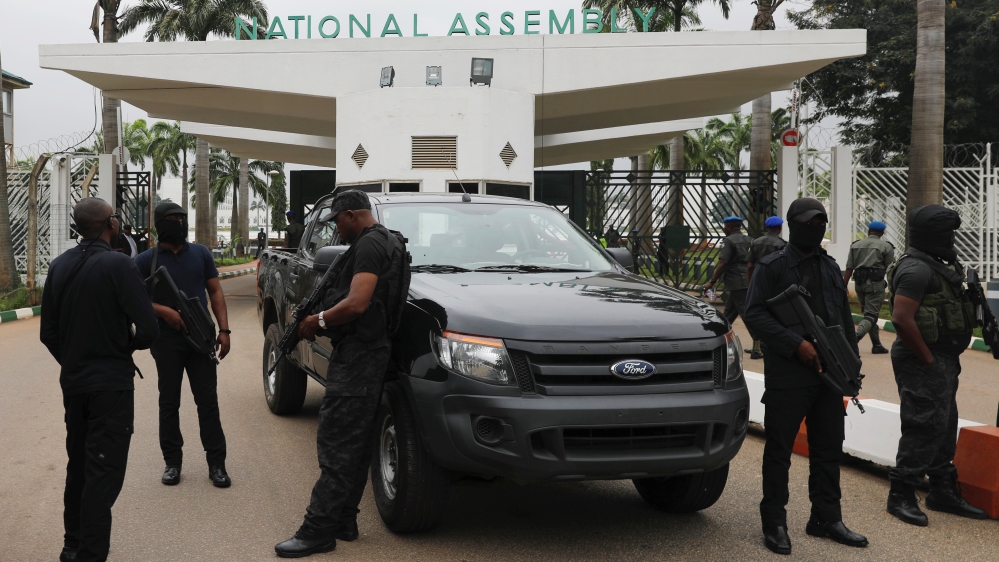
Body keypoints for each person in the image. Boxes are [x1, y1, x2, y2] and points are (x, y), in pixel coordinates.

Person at [275, 190, 407, 558]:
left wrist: (315, 321)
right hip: (371, 352)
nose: (337, 230)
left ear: (351, 215)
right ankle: (344, 520)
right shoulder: (389, 240)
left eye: (338, 222)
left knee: (336, 444)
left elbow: (358, 302)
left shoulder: (367, 246)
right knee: (358, 441)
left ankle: (317, 530)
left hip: (360, 357)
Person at [744, 198, 868, 555]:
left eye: (821, 223)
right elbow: (754, 314)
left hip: (830, 374)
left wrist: (851, 364)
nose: (816, 228)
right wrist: (796, 344)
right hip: (789, 375)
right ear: (792, 224)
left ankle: (826, 518)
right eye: (808, 223)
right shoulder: (773, 266)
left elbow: (844, 318)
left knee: (828, 449)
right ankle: (775, 523)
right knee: (780, 449)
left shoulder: (830, 267)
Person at [40, 198, 159, 562]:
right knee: (102, 471)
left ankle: (72, 544)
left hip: (75, 385)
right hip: (111, 386)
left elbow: (49, 333)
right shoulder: (120, 264)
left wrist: (75, 360)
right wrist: (125, 348)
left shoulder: (59, 266)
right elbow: (150, 328)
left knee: (78, 465)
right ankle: (90, 554)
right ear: (112, 224)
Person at [885, 205, 986, 526]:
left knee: (943, 423)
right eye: (947, 234)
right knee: (923, 423)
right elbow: (901, 318)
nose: (952, 239)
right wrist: (928, 360)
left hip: (941, 358)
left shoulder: (936, 264)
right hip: (922, 358)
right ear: (933, 235)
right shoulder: (916, 270)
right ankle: (901, 493)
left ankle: (942, 489)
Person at [134, 202, 233, 488]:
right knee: (169, 403)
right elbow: (135, 300)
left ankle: (217, 464)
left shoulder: (201, 253)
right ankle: (172, 463)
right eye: (171, 219)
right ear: (158, 223)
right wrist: (166, 312)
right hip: (166, 340)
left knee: (208, 403)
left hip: (201, 338)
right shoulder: (145, 261)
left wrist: (224, 330)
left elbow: (215, 291)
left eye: (182, 218)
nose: (178, 223)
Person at [843, 221, 894, 355]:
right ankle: (855, 338)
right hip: (875, 284)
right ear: (882, 233)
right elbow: (890, 270)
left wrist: (843, 285)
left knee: (869, 314)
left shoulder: (856, 245)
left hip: (859, 283)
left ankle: (876, 345)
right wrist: (894, 287)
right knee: (871, 315)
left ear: (868, 231)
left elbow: (849, 267)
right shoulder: (886, 247)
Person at [746, 216, 787, 360]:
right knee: (774, 315)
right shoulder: (782, 244)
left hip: (758, 282)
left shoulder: (756, 242)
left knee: (757, 313)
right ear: (780, 228)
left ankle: (756, 347)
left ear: (767, 227)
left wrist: (751, 283)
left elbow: (750, 266)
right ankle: (769, 346)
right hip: (775, 285)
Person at [704, 216, 752, 326]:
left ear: (729, 227)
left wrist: (712, 282)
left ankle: (761, 341)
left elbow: (723, 262)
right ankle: (719, 332)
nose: (723, 229)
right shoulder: (750, 240)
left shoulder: (728, 241)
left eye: (724, 227)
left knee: (746, 314)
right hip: (748, 279)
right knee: (729, 314)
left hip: (736, 282)